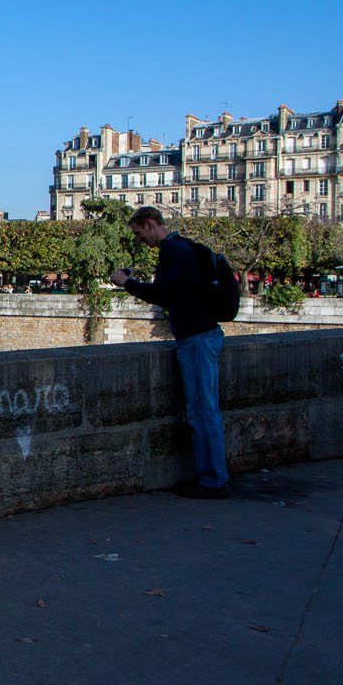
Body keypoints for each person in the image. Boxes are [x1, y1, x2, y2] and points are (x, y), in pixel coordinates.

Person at [111, 206, 229, 499]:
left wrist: (127, 283)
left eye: (139, 233)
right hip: (202, 334)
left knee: (203, 411)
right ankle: (211, 476)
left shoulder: (172, 251)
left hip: (197, 337)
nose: (140, 240)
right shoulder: (186, 247)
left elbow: (161, 294)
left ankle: (213, 480)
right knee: (204, 410)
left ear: (150, 224)